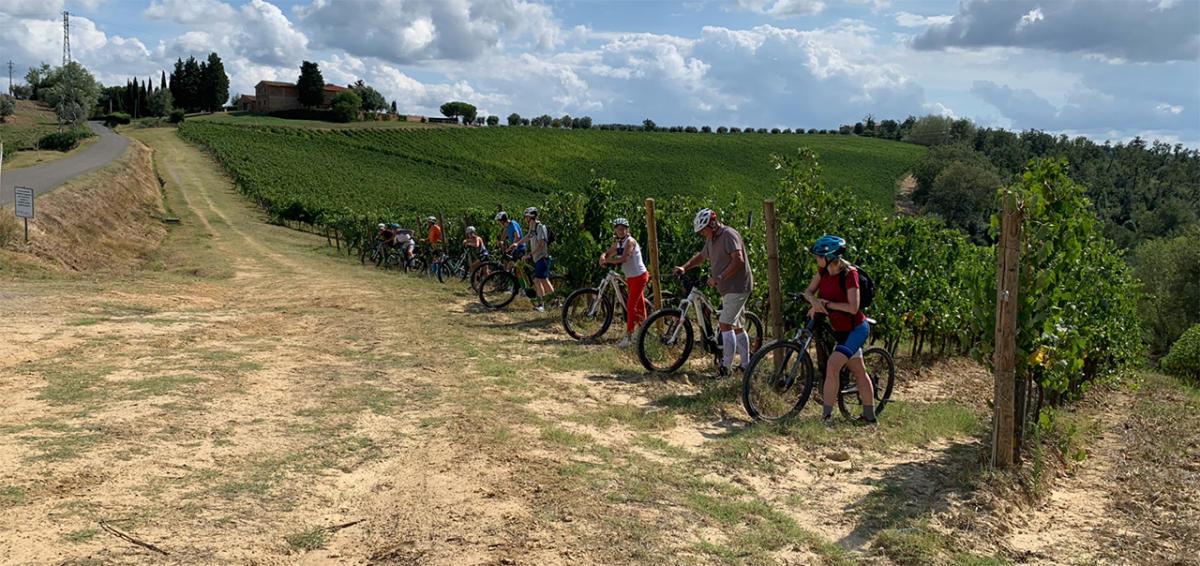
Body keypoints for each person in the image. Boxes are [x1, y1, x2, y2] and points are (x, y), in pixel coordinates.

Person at [804, 235, 875, 426]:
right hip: (841, 329)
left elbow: (853, 308)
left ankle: (826, 418)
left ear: (830, 257)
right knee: (859, 371)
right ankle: (870, 417)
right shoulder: (823, 271)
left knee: (833, 366)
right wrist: (815, 302)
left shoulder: (849, 274)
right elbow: (808, 291)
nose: (816, 259)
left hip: (856, 329)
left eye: (819, 256)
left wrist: (828, 304)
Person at [673, 208, 753, 375]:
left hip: (737, 286)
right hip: (728, 288)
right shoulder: (712, 239)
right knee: (738, 326)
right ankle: (746, 365)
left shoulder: (728, 235)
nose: (702, 233)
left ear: (713, 224)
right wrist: (684, 267)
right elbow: (702, 256)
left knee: (725, 324)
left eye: (703, 230)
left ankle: (726, 368)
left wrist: (719, 277)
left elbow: (738, 260)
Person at [599, 217, 649, 347]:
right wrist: (603, 256)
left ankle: (629, 336)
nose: (620, 231)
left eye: (623, 229)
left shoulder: (630, 241)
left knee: (631, 305)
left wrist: (608, 261)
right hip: (631, 278)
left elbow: (624, 258)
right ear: (615, 230)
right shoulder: (618, 243)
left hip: (639, 276)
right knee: (639, 304)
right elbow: (608, 252)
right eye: (618, 229)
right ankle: (644, 331)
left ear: (627, 230)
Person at [509, 207, 554, 312]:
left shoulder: (540, 227)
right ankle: (543, 304)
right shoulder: (532, 226)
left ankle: (554, 301)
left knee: (542, 280)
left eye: (527, 216)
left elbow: (542, 244)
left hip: (542, 257)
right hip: (537, 258)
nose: (525, 218)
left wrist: (529, 254)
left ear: (531, 216)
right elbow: (528, 236)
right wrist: (517, 243)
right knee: (538, 280)